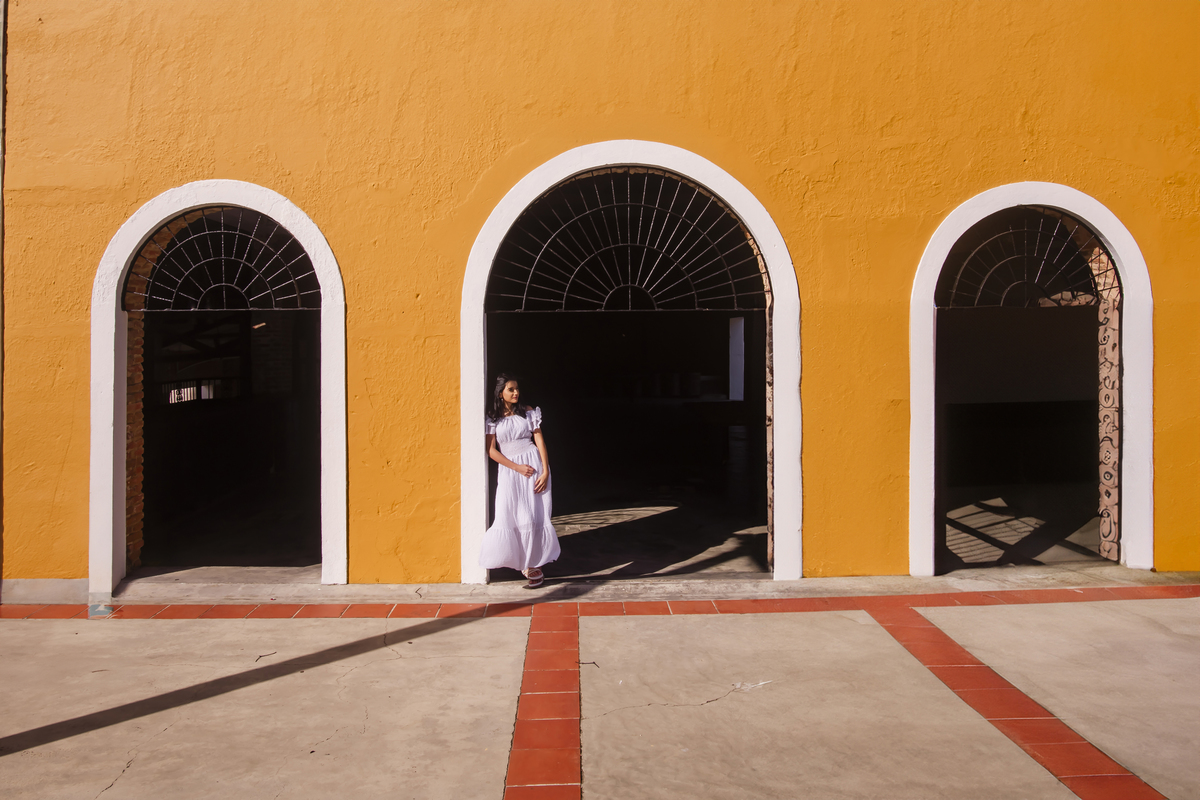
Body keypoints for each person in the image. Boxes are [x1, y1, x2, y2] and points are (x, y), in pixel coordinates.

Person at [479, 374, 560, 588]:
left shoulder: (528, 412)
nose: (516, 393)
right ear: (500, 393)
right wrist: (516, 467)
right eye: (511, 389)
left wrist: (545, 471)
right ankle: (520, 560)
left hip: (534, 466)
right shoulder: (492, 418)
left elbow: (539, 440)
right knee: (511, 512)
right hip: (510, 470)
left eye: (516, 389)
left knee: (534, 513)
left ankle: (534, 564)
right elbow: (490, 451)